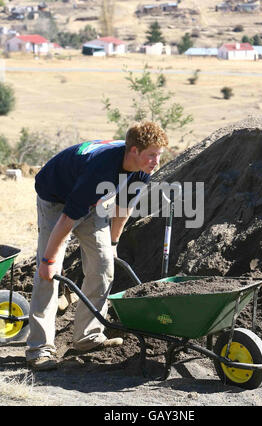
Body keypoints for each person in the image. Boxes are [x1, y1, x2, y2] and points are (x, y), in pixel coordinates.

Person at [26, 121, 168, 371]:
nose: (156, 161)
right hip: (56, 198)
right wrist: (48, 260)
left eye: (159, 155)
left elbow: (124, 206)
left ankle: (87, 338)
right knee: (49, 274)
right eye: (151, 155)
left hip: (92, 201)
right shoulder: (101, 170)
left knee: (104, 265)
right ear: (133, 150)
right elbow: (67, 219)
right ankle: (39, 349)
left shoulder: (142, 168)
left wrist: (112, 243)